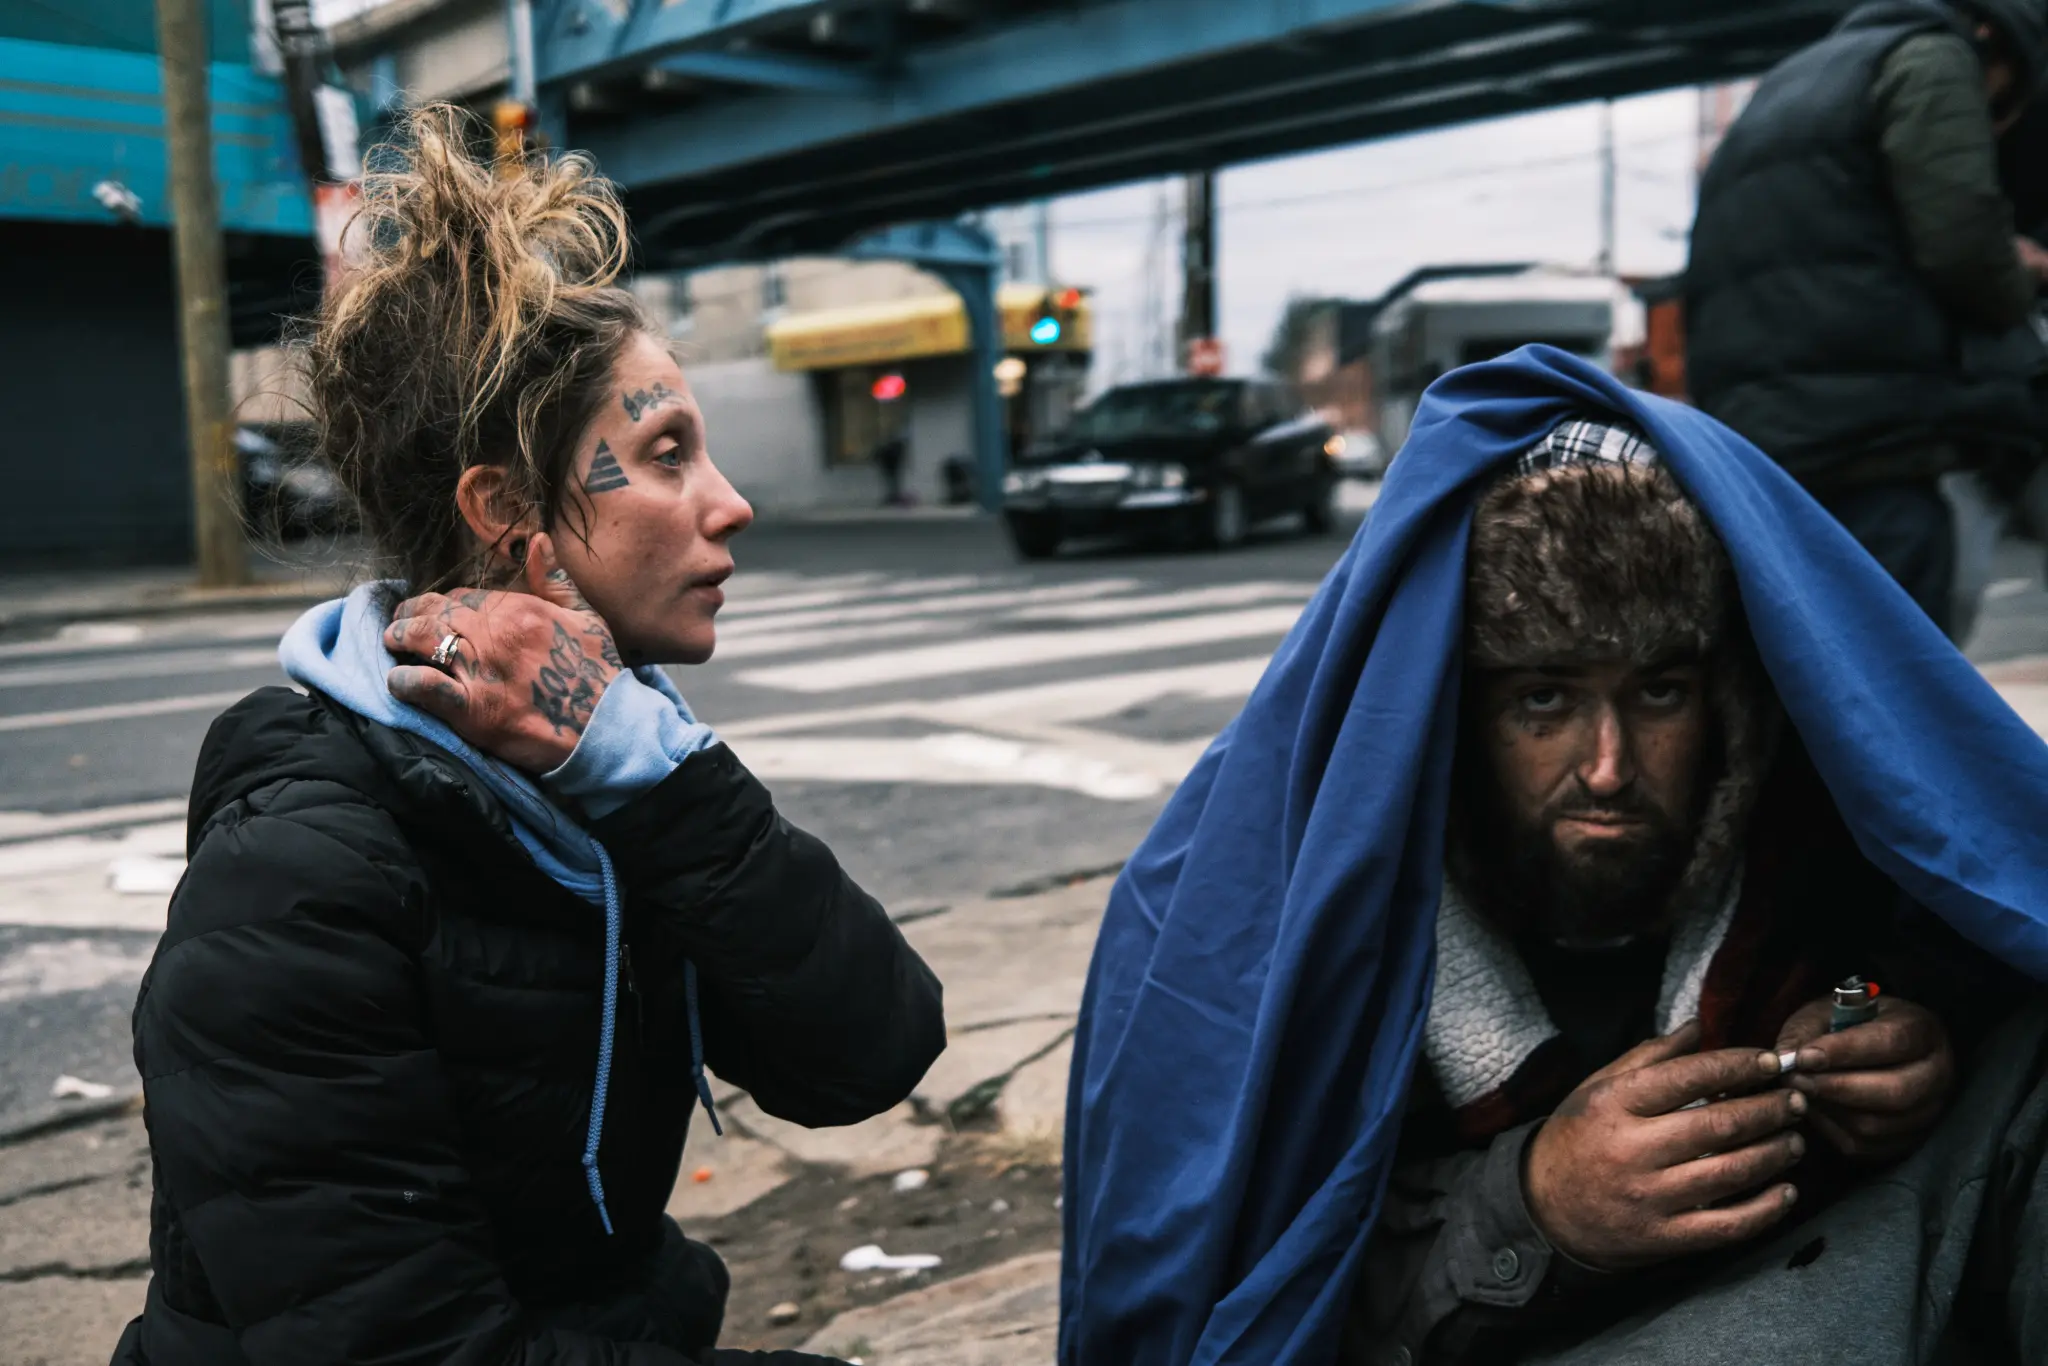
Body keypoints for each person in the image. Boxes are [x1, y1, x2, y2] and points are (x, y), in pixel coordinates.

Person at [112, 107, 945, 1366]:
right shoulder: (299, 878)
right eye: (666, 454)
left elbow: (867, 1054)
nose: (730, 503)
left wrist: (655, 774)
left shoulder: (608, 766)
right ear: (506, 509)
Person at [1060, 346, 2048, 1365]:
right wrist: (1535, 1208)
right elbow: (1260, 1287)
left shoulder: (1802, 829)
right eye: (1543, 698)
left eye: (1658, 692)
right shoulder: (1314, 931)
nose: (1608, 767)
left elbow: (1926, 947)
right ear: (1455, 713)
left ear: (1727, 704)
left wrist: (1892, 1035)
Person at [1687, 0, 2048, 637]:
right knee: (1904, 666)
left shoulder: (1791, 80)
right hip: (1881, 435)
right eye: (1998, 100)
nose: (1993, 122)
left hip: (1766, 440)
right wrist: (2024, 273)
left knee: (1815, 660)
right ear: (1991, 32)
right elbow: (1963, 244)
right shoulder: (1934, 57)